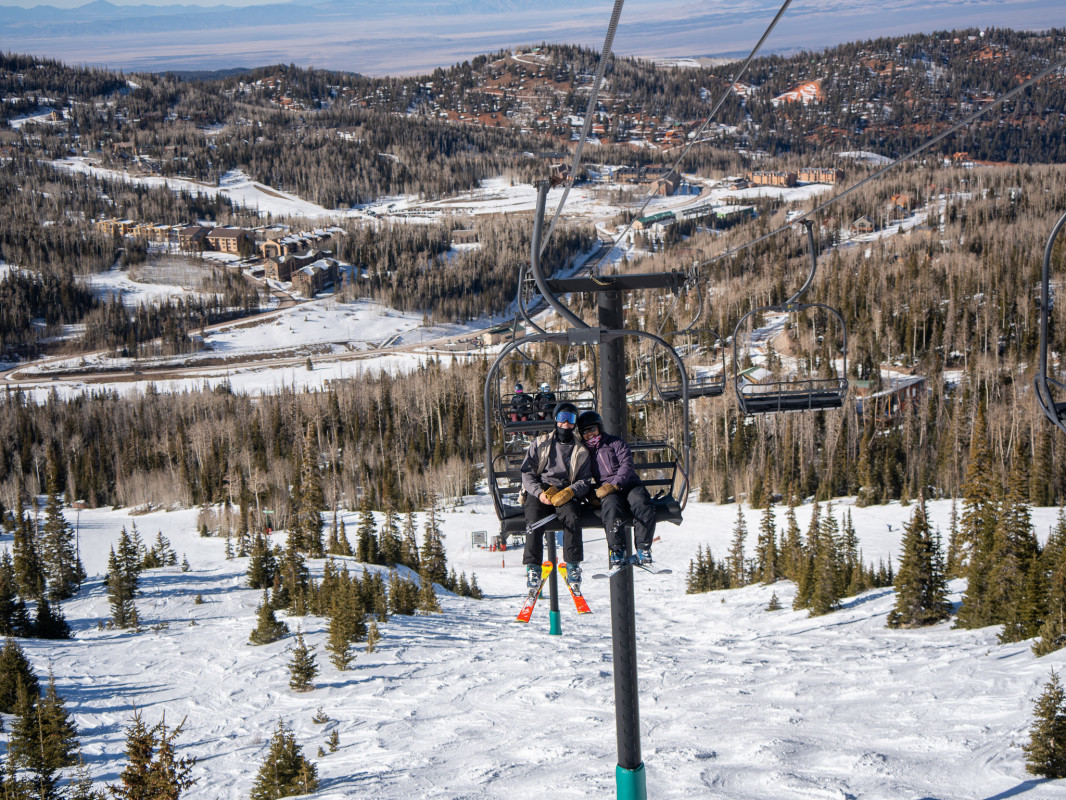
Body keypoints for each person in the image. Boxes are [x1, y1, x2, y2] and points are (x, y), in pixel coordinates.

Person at [519, 402, 593, 587]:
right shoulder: (541, 444)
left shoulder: (580, 450)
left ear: (575, 423)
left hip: (566, 490)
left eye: (570, 420)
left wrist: (571, 491)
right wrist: (539, 493)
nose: (565, 424)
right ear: (556, 420)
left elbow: (584, 480)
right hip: (543, 488)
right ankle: (533, 567)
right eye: (562, 419)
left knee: (572, 517)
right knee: (533, 517)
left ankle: (573, 564)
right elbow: (527, 473)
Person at [577, 409, 657, 569]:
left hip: (628, 484)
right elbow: (582, 475)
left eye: (592, 429)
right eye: (585, 432)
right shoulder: (585, 453)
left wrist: (615, 483)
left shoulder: (615, 443)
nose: (589, 434)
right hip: (608, 491)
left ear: (599, 427)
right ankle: (617, 551)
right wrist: (590, 494)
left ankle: (643, 549)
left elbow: (626, 464)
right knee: (611, 509)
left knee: (642, 503)